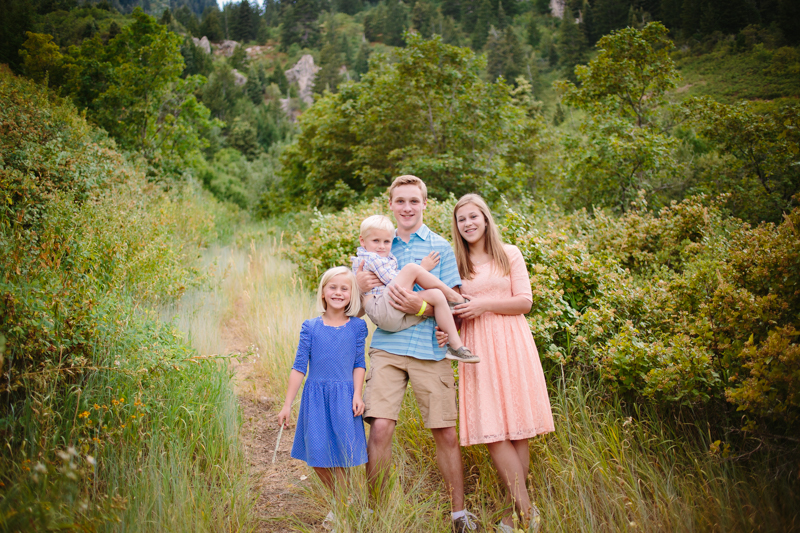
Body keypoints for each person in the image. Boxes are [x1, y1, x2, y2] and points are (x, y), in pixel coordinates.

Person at [356, 175, 480, 533]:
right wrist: (359, 287)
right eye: (400, 201)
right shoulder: (379, 242)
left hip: (430, 349)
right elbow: (362, 310)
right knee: (380, 428)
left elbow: (453, 304)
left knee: (445, 431)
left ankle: (458, 514)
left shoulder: (440, 247)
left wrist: (422, 308)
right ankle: (376, 512)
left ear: (425, 203)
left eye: (414, 201)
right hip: (388, 349)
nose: (407, 208)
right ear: (390, 204)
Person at [446, 193, 555, 533]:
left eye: (473, 216)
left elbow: (524, 302)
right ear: (456, 226)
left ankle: (512, 517)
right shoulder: (456, 264)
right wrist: (447, 329)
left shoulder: (509, 254)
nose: (468, 223)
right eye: (461, 219)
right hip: (478, 348)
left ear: (485, 218)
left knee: (518, 429)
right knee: (493, 429)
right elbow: (453, 312)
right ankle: (528, 512)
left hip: (512, 342)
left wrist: (484, 305)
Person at [277, 266, 369, 531]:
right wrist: (287, 404)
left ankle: (341, 510)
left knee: (342, 457)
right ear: (323, 292)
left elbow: (359, 363)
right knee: (318, 457)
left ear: (351, 294)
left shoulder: (357, 326)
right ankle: (345, 501)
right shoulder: (311, 327)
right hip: (316, 399)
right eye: (333, 287)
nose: (338, 293)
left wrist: (357, 394)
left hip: (344, 398)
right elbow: (299, 367)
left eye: (344, 288)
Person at [353, 214, 479, 363]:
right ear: (362, 241)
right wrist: (422, 268)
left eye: (386, 241)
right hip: (380, 308)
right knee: (411, 268)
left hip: (394, 317)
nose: (381, 246)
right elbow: (391, 279)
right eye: (376, 241)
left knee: (437, 295)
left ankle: (456, 347)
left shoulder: (384, 257)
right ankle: (455, 298)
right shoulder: (370, 257)